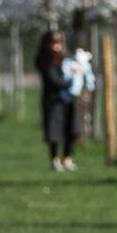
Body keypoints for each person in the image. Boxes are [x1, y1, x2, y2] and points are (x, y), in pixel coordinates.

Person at [34, 30, 75, 171]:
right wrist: (73, 82)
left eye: (58, 42)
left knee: (71, 129)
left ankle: (67, 159)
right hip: (53, 100)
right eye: (53, 42)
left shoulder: (66, 58)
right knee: (54, 131)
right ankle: (54, 159)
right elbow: (53, 81)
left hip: (68, 100)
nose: (56, 46)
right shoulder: (44, 59)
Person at [61, 41, 96, 163]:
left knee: (77, 127)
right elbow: (66, 77)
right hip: (67, 99)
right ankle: (64, 157)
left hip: (79, 99)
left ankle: (69, 156)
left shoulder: (85, 69)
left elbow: (90, 81)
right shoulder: (67, 65)